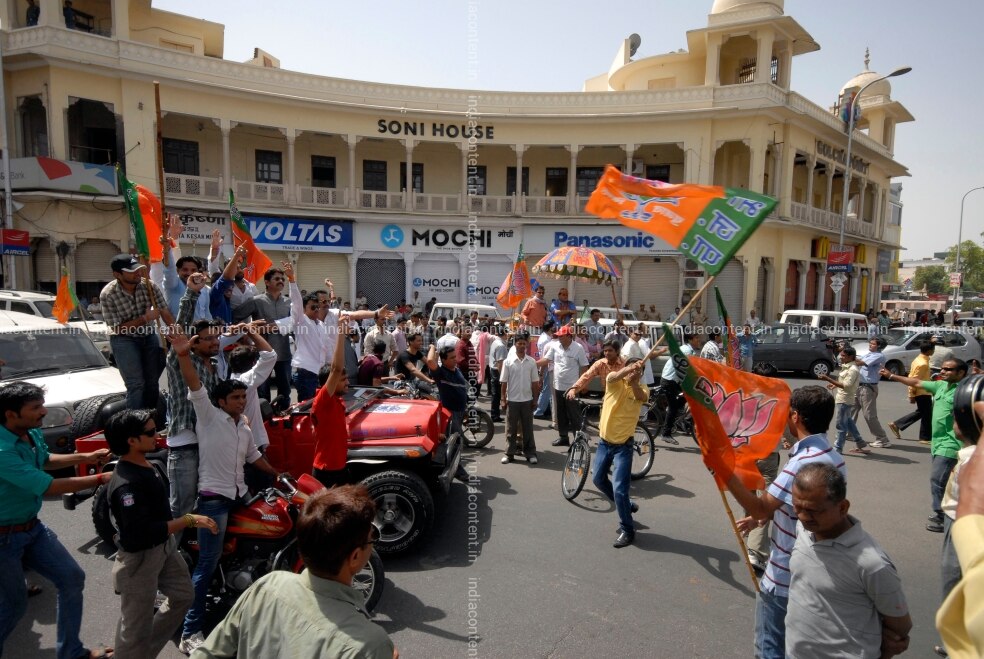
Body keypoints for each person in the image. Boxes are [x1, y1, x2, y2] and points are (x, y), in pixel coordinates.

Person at [169, 331, 280, 654]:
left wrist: (278, 476)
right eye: (235, 399)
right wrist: (182, 355)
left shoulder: (242, 426)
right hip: (214, 499)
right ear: (221, 401)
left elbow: (254, 458)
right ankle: (190, 631)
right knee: (207, 561)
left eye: (243, 398)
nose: (241, 402)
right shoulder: (208, 415)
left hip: (240, 494)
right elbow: (193, 383)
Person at [194, 485, 396, 658]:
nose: (373, 544)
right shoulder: (370, 645)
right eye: (372, 538)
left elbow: (207, 653)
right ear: (354, 557)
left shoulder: (268, 584)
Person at [724, 385, 845, 659]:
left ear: (795, 417)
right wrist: (760, 519)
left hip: (783, 576)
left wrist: (725, 471)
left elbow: (759, 505)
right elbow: (792, 509)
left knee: (769, 649)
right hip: (814, 570)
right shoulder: (834, 456)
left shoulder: (801, 464)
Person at [0, 382, 116, 659]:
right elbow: (48, 486)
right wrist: (101, 478)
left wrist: (85, 455)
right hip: (3, 537)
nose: (42, 412)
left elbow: (45, 460)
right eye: (35, 408)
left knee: (71, 578)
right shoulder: (2, 451)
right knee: (15, 604)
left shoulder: (30, 433)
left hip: (32, 527)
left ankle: (71, 652)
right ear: (10, 414)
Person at [104, 409, 216, 658]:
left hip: (164, 549)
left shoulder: (148, 462)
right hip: (140, 559)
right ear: (131, 441)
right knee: (134, 627)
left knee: (184, 596)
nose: (158, 435)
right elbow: (142, 532)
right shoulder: (127, 484)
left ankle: (140, 652)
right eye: (151, 432)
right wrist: (188, 520)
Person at [785, 463, 911, 658]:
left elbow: (899, 625)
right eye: (797, 507)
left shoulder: (872, 564)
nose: (802, 516)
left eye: (812, 510)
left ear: (842, 507)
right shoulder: (804, 530)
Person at [880, 357, 969, 533]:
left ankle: (942, 516)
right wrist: (892, 376)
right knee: (947, 481)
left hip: (951, 444)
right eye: (942, 368)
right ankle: (948, 512)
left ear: (961, 373)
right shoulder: (941, 385)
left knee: (937, 479)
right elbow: (917, 381)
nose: (943, 371)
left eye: (948, 369)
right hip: (937, 442)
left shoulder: (964, 391)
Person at [164, 275, 223, 518]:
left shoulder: (215, 367)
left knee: (206, 505)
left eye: (215, 337)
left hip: (206, 444)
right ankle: (171, 553)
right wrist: (191, 293)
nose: (214, 342)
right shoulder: (181, 360)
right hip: (184, 446)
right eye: (207, 338)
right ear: (193, 343)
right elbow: (183, 326)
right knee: (182, 508)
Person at [936, 400, 984, 657]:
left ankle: (953, 640)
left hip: (961, 523)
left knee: (953, 576)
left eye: (957, 418)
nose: (953, 423)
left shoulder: (972, 461)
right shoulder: (968, 455)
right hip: (957, 520)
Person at [100, 253, 175, 410]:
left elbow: (164, 311)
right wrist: (145, 318)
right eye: (131, 271)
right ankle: (134, 424)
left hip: (148, 337)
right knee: (136, 384)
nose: (138, 273)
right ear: (117, 274)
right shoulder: (108, 294)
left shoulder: (149, 285)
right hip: (124, 340)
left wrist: (177, 332)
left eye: (138, 269)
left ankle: (152, 419)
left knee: (152, 382)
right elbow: (117, 328)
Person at [592, 358, 649, 548]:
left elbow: (641, 397)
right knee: (598, 479)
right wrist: (627, 371)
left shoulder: (642, 388)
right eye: (632, 368)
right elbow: (614, 375)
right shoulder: (613, 380)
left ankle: (627, 529)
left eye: (639, 370)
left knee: (619, 490)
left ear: (641, 373)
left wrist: (634, 381)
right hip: (604, 442)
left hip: (623, 446)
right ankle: (628, 505)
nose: (634, 372)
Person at [233, 268, 292, 402]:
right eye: (276, 279)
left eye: (282, 279)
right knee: (262, 393)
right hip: (262, 354)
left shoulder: (288, 302)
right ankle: (265, 421)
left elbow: (295, 322)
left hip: (284, 353)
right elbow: (236, 316)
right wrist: (243, 336)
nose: (281, 281)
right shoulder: (257, 301)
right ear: (267, 282)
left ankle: (284, 421)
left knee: (285, 392)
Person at [311, 314, 355, 488]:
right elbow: (336, 369)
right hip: (327, 471)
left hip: (339, 468)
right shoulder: (323, 400)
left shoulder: (337, 400)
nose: (348, 383)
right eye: (343, 380)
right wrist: (341, 333)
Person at [537, 324, 588, 447]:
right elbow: (546, 360)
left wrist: (583, 384)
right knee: (561, 413)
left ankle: (578, 439)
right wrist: (533, 363)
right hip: (558, 385)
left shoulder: (578, 348)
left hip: (572, 387)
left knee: (574, 414)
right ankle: (563, 437)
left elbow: (584, 367)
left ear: (569, 336)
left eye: (561, 336)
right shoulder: (555, 346)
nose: (559, 338)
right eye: (558, 336)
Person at [818, 345, 870, 455]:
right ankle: (860, 442)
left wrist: (828, 378)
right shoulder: (846, 366)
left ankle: (838, 448)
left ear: (850, 357)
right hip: (842, 398)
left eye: (843, 356)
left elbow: (846, 385)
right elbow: (843, 381)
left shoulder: (853, 369)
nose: (841, 357)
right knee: (848, 421)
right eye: (841, 355)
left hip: (845, 399)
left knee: (841, 425)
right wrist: (834, 385)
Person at [499, 331, 540, 464]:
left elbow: (535, 383)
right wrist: (503, 399)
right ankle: (509, 454)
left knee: (528, 428)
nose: (522, 345)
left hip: (527, 400)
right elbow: (504, 382)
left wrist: (535, 399)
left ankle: (530, 453)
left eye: (524, 343)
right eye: (519, 343)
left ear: (527, 345)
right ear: (515, 344)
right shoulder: (508, 362)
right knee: (511, 428)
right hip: (513, 400)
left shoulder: (532, 362)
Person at [658, 332, 702, 444]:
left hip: (673, 379)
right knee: (674, 407)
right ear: (690, 340)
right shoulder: (687, 351)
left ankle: (678, 416)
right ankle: (665, 433)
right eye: (696, 338)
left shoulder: (687, 349)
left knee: (688, 396)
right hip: (669, 380)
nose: (699, 340)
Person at [888, 340, 934, 444]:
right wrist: (911, 394)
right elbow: (913, 380)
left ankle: (897, 424)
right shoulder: (922, 363)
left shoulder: (919, 360)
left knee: (923, 413)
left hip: (923, 391)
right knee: (926, 415)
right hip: (922, 391)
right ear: (930, 350)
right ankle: (925, 438)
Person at [852, 337, 891, 448]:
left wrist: (848, 356)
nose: (870, 345)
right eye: (870, 343)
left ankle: (882, 439)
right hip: (859, 386)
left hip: (868, 388)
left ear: (878, 346)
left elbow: (859, 363)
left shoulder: (878, 356)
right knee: (851, 411)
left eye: (873, 344)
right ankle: (848, 433)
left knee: (869, 415)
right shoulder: (869, 354)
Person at [532, 320, 556, 419]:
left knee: (548, 390)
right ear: (550, 328)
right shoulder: (547, 340)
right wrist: (541, 372)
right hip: (546, 365)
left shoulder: (544, 337)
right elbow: (545, 358)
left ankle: (545, 409)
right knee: (546, 389)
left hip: (546, 365)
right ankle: (539, 411)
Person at [488, 325, 507, 422]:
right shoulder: (500, 345)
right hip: (497, 370)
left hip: (493, 369)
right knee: (496, 394)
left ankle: (495, 413)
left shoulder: (496, 342)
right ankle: (495, 415)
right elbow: (500, 363)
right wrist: (502, 377)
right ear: (504, 334)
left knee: (496, 394)